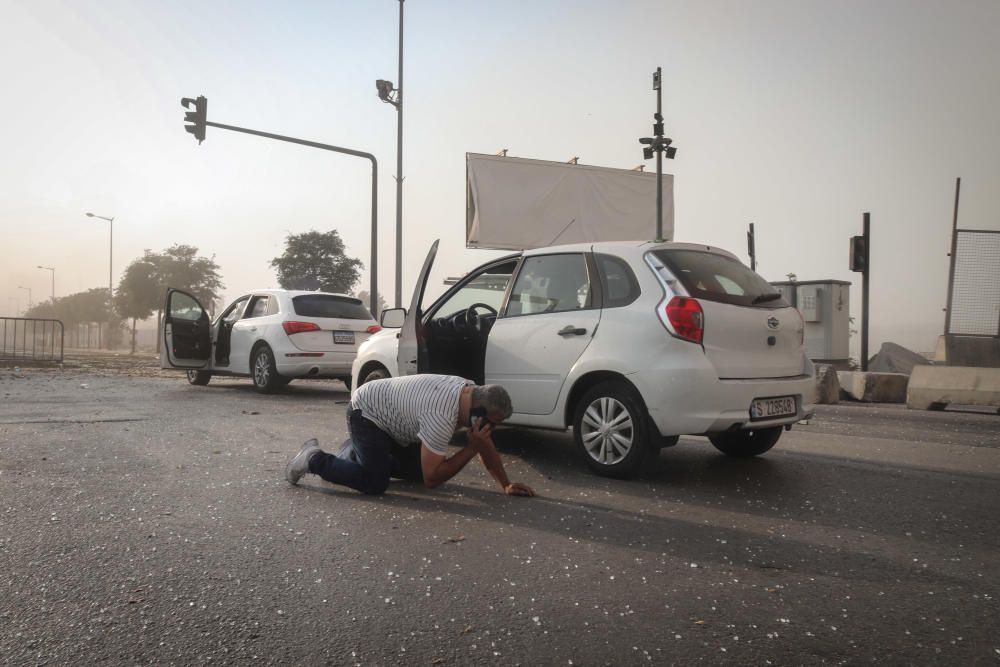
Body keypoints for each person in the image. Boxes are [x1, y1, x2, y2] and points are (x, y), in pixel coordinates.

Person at [285, 374, 535, 497]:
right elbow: (433, 479)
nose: (493, 430)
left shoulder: (471, 392)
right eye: (492, 424)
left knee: (415, 471)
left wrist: (505, 484)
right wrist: (471, 448)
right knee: (375, 483)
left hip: (394, 420)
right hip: (367, 413)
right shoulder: (441, 415)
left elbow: (484, 441)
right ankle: (313, 458)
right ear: (478, 413)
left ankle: (355, 450)